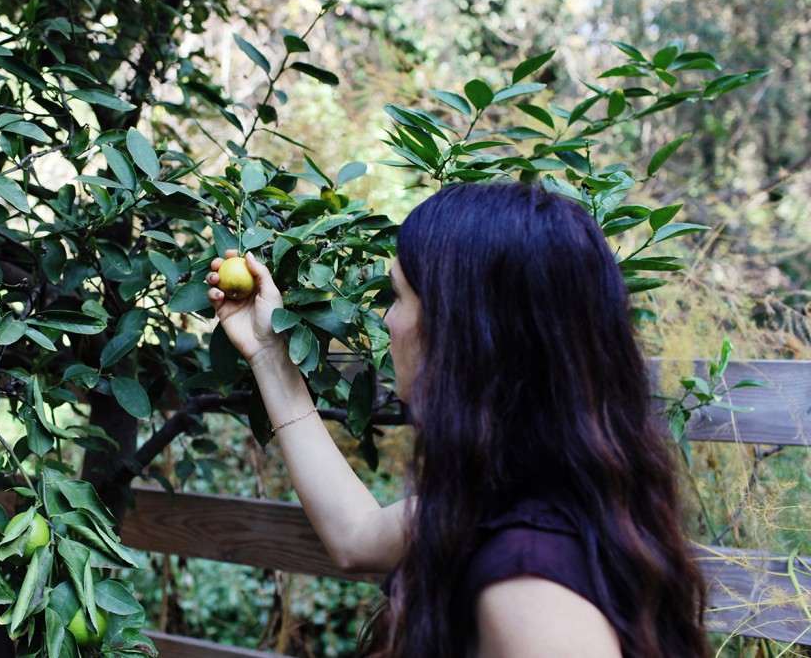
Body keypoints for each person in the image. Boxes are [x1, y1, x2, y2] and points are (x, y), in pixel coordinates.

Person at [205, 182, 709, 658]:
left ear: (464, 330)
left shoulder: (529, 588)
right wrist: (269, 353)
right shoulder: (510, 498)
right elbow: (355, 536)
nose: (388, 321)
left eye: (398, 296)